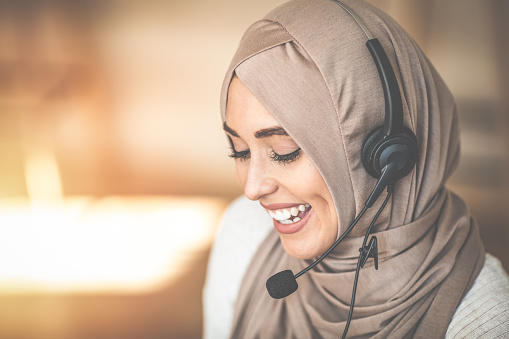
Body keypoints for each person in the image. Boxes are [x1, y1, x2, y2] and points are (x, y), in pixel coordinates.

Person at [203, 0, 509, 338]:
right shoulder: (243, 233)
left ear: (386, 155)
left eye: (284, 151)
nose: (252, 189)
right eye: (240, 152)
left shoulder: (487, 320)